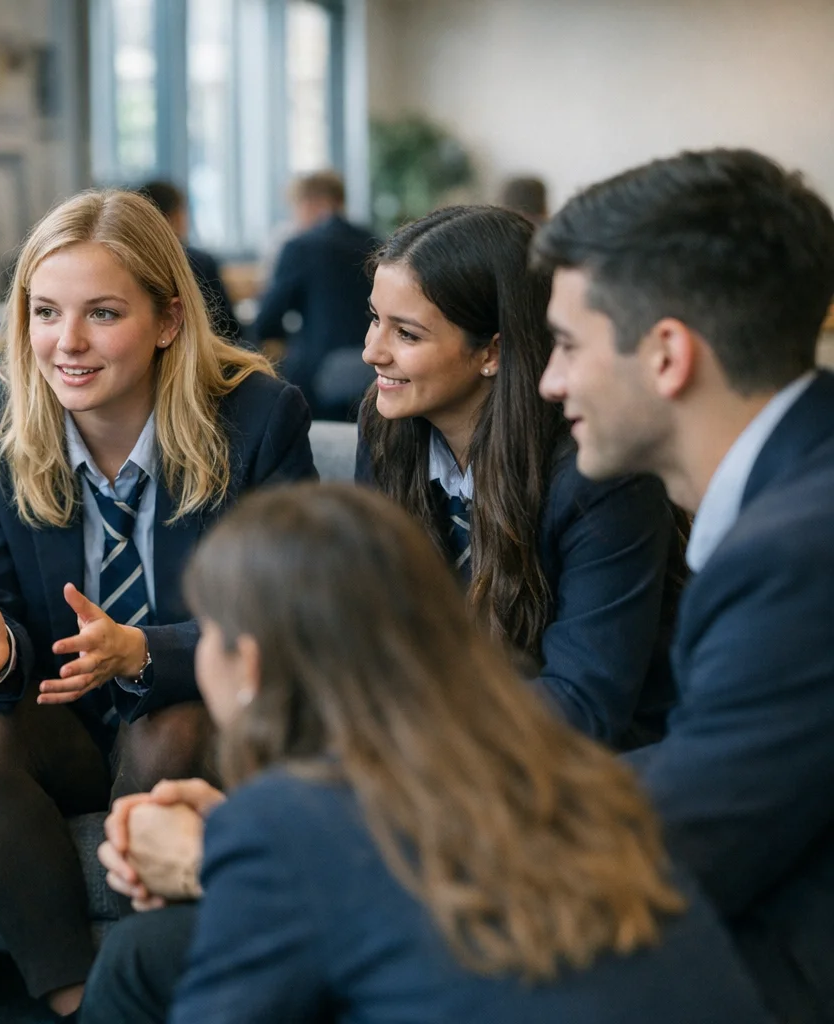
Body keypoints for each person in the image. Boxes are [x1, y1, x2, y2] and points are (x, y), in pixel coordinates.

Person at [81, 483, 768, 1024]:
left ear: (250, 666)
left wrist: (240, 848)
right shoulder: (542, 758)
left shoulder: (287, 824)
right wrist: (236, 839)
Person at [0, 189, 316, 1017]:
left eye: (102, 313)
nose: (68, 342)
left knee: (171, 719)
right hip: (57, 713)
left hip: (187, 712)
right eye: (46, 312)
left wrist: (147, 654)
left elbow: (284, 614)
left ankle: (148, 982)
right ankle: (73, 998)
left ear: (168, 320)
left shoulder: (258, 414)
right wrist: (1, 652)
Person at [534, 147, 834, 1023]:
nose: (548, 382)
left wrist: (294, 852)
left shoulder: (792, 555)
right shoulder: (800, 484)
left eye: (564, 344)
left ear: (667, 355)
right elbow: (722, 756)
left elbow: (664, 865)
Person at [357, 205, 682, 748]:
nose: (372, 351)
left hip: (584, 770)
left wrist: (404, 726)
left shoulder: (600, 476)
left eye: (407, 334)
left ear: (493, 351)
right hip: (438, 753)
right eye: (374, 318)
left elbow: (582, 703)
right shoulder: (387, 427)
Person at [250, 170, 378, 418]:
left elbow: (267, 321)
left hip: (319, 376)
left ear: (311, 203)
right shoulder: (375, 242)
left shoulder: (301, 247)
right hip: (375, 368)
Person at [137, 180, 241, 342]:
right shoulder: (199, 262)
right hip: (206, 354)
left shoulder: (128, 262)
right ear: (176, 216)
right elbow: (229, 328)